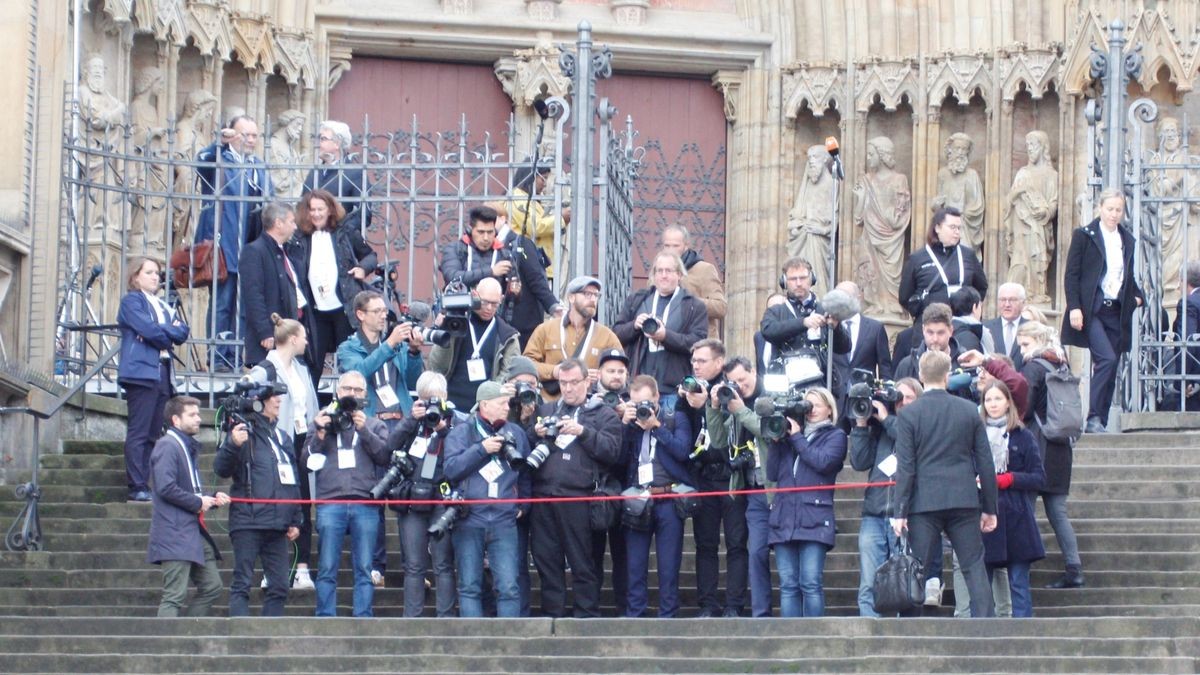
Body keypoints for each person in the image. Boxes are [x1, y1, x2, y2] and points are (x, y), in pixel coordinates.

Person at [891, 350, 999, 618]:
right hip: (963, 499)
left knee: (918, 567)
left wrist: (899, 510)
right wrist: (990, 507)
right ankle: (988, 627)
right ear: (948, 375)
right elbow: (985, 462)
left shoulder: (908, 414)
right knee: (973, 565)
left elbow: (906, 467)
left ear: (920, 376)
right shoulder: (968, 411)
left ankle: (910, 628)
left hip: (923, 502)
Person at [528, 358, 624, 617]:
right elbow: (526, 453)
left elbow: (613, 452)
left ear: (587, 381)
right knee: (546, 560)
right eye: (563, 383)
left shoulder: (604, 414)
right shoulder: (547, 410)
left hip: (580, 498)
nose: (568, 389)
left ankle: (586, 615)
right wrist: (533, 432)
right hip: (544, 497)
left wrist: (583, 432)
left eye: (573, 383)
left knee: (584, 563)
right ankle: (553, 615)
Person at [302, 371, 391, 617]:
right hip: (330, 501)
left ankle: (363, 617)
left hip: (364, 502)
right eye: (347, 389)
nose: (351, 394)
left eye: (357, 390)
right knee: (327, 565)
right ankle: (325, 617)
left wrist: (364, 431)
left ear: (366, 396)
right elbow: (306, 461)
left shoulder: (375, 424)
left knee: (364, 567)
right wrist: (320, 434)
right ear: (338, 392)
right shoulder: (323, 421)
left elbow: (385, 456)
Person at [213, 382, 302, 617]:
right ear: (259, 401)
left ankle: (269, 635)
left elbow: (293, 480)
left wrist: (296, 518)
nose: (279, 401)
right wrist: (232, 444)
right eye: (273, 397)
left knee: (280, 586)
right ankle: (240, 636)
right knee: (242, 582)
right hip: (248, 521)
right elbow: (221, 469)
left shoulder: (282, 437)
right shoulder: (243, 432)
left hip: (278, 523)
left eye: (280, 397)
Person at [443, 381, 532, 617]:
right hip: (470, 517)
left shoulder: (516, 432)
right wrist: (481, 449)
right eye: (501, 403)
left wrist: (523, 502)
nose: (507, 407)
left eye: (507, 403)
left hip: (504, 519)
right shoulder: (461, 432)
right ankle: (473, 644)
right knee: (469, 586)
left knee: (508, 586)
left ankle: (510, 645)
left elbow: (525, 473)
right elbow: (451, 470)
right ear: (484, 405)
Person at [245, 314, 319, 590]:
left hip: (301, 441)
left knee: (303, 503)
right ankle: (272, 569)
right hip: (274, 440)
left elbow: (309, 405)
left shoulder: (301, 370)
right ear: (292, 339)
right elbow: (248, 400)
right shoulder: (265, 368)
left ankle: (302, 569)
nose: (307, 341)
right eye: (303, 336)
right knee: (277, 503)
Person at [1061, 188, 1145, 433]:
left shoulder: (1126, 239)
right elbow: (1072, 275)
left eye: (1118, 210)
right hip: (1092, 309)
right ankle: (1094, 418)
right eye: (1110, 209)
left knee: (1112, 363)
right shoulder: (1084, 236)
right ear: (1100, 208)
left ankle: (1102, 420)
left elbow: (1126, 277)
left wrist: (1138, 299)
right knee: (1106, 359)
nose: (1114, 214)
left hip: (1116, 311)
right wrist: (1074, 307)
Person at [194, 115, 270, 370]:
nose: (250, 140)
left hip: (249, 246)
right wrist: (219, 143)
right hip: (222, 246)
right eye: (244, 135)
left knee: (243, 307)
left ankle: (236, 356)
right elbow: (199, 164)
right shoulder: (218, 160)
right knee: (221, 305)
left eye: (254, 136)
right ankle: (217, 357)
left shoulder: (258, 166)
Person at [387, 372, 464, 617]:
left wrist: (443, 429)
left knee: (443, 563)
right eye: (426, 399)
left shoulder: (457, 422)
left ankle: (446, 618)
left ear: (445, 398)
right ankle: (412, 619)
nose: (431, 405)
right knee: (413, 565)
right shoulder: (413, 422)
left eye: (436, 399)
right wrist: (411, 419)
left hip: (441, 497)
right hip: (412, 499)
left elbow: (463, 455)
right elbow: (390, 446)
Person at [1016, 321, 1086, 589]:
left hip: (1037, 444)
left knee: (1025, 508)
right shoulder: (1061, 364)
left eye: (1026, 344)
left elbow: (1024, 404)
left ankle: (1021, 567)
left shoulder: (1033, 368)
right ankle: (1074, 567)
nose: (1022, 349)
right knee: (1057, 511)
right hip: (1060, 446)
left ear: (1037, 341)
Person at [766, 387, 847, 617]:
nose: (810, 410)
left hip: (814, 517)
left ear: (830, 411)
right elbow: (771, 473)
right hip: (784, 517)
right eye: (807, 405)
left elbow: (822, 463)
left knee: (810, 583)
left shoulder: (835, 436)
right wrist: (776, 441)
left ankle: (815, 638)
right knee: (788, 584)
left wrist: (797, 437)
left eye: (816, 405)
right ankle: (790, 639)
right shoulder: (788, 436)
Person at [147, 396, 230, 617]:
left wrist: (209, 499)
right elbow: (165, 487)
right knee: (174, 595)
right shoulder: (167, 445)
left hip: (190, 531)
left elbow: (185, 489)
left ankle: (187, 633)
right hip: (174, 532)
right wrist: (198, 502)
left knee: (212, 586)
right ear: (175, 420)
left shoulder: (182, 445)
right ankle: (167, 645)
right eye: (192, 415)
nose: (198, 419)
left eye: (198, 414)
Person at [849, 377, 922, 617]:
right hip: (874, 512)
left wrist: (885, 418)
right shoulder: (879, 428)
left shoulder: (920, 424)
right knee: (869, 581)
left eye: (909, 397)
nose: (902, 402)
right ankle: (868, 632)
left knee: (904, 581)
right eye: (898, 396)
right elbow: (859, 462)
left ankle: (903, 637)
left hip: (906, 514)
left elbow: (909, 439)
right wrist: (861, 424)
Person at [119, 257, 190, 502]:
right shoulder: (131, 301)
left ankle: (147, 483)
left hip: (162, 371)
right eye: (148, 272)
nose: (155, 277)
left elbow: (183, 331)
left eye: (157, 273)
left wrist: (161, 332)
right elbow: (147, 329)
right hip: (140, 372)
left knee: (153, 432)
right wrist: (165, 333)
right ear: (135, 276)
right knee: (139, 431)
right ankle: (136, 485)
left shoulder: (162, 305)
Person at [622, 375, 694, 618]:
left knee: (668, 566)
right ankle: (635, 615)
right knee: (634, 565)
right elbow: (617, 460)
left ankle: (668, 616)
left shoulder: (675, 418)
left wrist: (657, 427)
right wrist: (624, 425)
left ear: (657, 398)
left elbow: (683, 452)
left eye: (645, 402)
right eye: (636, 403)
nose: (642, 408)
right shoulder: (629, 424)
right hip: (637, 499)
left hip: (668, 497)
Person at [705, 357, 772, 617]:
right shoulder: (732, 402)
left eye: (743, 380)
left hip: (775, 485)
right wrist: (713, 407)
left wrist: (741, 409)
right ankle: (760, 614)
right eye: (734, 383)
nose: (740, 387)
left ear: (754, 372)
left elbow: (768, 432)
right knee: (755, 551)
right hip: (748, 486)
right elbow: (720, 441)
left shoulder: (769, 395)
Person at [294, 189, 377, 384]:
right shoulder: (300, 237)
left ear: (330, 210)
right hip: (315, 311)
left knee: (349, 362)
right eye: (312, 210)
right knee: (313, 364)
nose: (315, 214)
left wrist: (362, 269)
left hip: (344, 308)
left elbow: (370, 255)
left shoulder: (345, 231)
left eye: (320, 209)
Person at [978, 381, 1045, 617]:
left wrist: (1009, 479)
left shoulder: (1023, 436)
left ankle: (1023, 631)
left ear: (1008, 402)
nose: (993, 404)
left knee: (1018, 583)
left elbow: (1038, 477)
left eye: (997, 399)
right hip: (984, 513)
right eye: (988, 400)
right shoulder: (976, 435)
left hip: (1016, 515)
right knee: (981, 585)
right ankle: (981, 635)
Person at [613, 251, 709, 410]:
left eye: (669, 271)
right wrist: (635, 326)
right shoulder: (637, 300)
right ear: (654, 275)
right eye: (659, 271)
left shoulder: (693, 305)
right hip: (638, 386)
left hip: (674, 388)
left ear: (679, 274)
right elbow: (616, 334)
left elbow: (698, 343)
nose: (664, 276)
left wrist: (665, 336)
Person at [428, 277, 522, 411]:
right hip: (450, 403)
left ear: (501, 299)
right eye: (484, 302)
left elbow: (508, 372)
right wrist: (446, 330)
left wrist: (492, 397)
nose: (489, 308)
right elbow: (435, 366)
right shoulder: (456, 323)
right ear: (474, 295)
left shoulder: (507, 336)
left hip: (485, 408)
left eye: (495, 304)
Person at [523, 275, 621, 400]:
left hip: (589, 408)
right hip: (551, 404)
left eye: (596, 295)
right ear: (571, 297)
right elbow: (527, 364)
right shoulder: (546, 330)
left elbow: (620, 372)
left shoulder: (607, 336)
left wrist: (600, 377)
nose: (593, 299)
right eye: (587, 294)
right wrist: (555, 371)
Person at [759, 257, 850, 391]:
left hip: (820, 383)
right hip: (785, 382)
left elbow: (844, 347)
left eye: (803, 278)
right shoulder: (776, 311)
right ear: (784, 282)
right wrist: (803, 323)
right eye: (793, 279)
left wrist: (836, 327)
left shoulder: (824, 309)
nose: (798, 283)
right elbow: (768, 330)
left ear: (811, 279)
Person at [239, 201, 310, 368]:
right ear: (278, 223)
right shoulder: (255, 251)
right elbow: (253, 295)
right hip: (269, 340)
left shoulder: (285, 250)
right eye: (291, 221)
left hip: (287, 335)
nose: (295, 227)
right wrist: (265, 331)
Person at [485, 200, 562, 348]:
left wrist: (552, 305)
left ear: (502, 218)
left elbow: (537, 279)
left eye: (491, 218)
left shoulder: (521, 243)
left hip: (522, 321)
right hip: (495, 317)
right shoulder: (484, 247)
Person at [337, 290, 424, 420]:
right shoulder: (348, 348)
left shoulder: (396, 343)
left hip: (401, 421)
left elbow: (412, 382)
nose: (383, 316)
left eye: (385, 311)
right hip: (369, 422)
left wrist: (413, 352)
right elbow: (359, 373)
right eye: (377, 311)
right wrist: (389, 344)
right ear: (361, 315)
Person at [898, 207, 988, 323]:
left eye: (959, 228)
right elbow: (905, 296)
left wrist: (970, 308)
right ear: (937, 228)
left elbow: (981, 287)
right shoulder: (918, 259)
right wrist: (924, 310)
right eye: (952, 227)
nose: (957, 232)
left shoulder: (968, 255)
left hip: (962, 325)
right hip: (930, 326)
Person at [662, 225, 727, 340]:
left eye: (675, 246)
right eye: (667, 246)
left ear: (686, 245)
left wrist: (689, 301)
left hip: (699, 344)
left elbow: (721, 308)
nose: (670, 250)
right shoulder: (659, 272)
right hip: (667, 342)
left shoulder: (704, 269)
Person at [304, 120, 371, 230]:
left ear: (337, 143)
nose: (317, 144)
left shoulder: (354, 173)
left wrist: (341, 229)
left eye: (323, 139)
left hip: (339, 240)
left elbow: (364, 215)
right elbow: (302, 206)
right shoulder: (314, 172)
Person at [507, 165, 569, 280]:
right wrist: (561, 219)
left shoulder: (533, 199)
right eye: (543, 178)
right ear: (531, 176)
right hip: (529, 264)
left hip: (541, 264)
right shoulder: (518, 197)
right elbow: (534, 227)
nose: (545, 184)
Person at [440, 206, 519, 291]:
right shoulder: (454, 249)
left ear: (495, 232)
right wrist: (491, 272)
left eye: (490, 232)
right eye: (481, 232)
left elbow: (512, 297)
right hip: (460, 303)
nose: (486, 238)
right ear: (470, 230)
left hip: (493, 304)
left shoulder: (504, 255)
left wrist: (514, 292)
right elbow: (452, 278)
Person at [1170, 261, 1200, 410]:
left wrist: (1183, 379)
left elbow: (1187, 341)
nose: (1178, 286)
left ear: (1186, 282)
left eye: (1180, 281)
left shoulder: (1189, 303)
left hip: (1194, 383)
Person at [985, 282, 1029, 370]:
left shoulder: (1031, 328)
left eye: (1012, 300)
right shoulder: (985, 328)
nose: (1007, 304)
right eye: (1003, 300)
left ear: (1023, 303)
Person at [949, 286, 993, 355]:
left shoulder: (943, 329)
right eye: (980, 306)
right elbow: (990, 360)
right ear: (974, 307)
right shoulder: (982, 333)